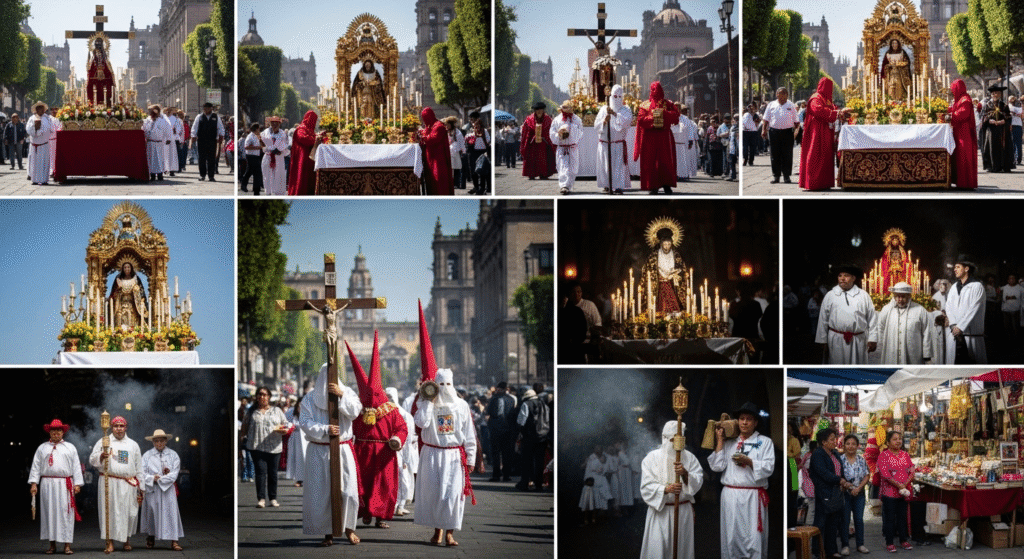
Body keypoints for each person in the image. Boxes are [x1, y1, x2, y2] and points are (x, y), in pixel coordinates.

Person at [347, 335, 408, 529]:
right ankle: (365, 512)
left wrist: (397, 439)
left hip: (384, 452)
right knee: (362, 484)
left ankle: (380, 517)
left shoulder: (390, 410)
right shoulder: (356, 410)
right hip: (362, 450)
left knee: (383, 485)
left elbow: (402, 427)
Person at [413, 368, 477, 547]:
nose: (445, 388)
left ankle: (450, 533)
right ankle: (437, 532)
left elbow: (469, 434)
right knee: (434, 495)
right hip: (432, 454)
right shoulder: (425, 403)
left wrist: (471, 458)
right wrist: (427, 402)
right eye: (440, 384)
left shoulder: (461, 405)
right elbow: (421, 423)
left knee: (452, 495)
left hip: (453, 456)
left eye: (448, 384)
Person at [299, 363, 362, 546]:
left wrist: (341, 396)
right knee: (322, 493)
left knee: (349, 491)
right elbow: (304, 422)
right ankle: (328, 533)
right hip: (319, 449)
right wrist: (325, 429)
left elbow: (355, 412)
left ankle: (349, 529)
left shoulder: (348, 392)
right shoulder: (310, 399)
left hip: (342, 448)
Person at [709, 402, 775, 559]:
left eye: (749, 419)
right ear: (737, 421)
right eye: (742, 418)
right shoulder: (730, 442)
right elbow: (717, 467)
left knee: (753, 537)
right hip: (731, 495)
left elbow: (769, 467)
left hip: (752, 496)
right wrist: (720, 441)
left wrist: (750, 462)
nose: (744, 422)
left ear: (755, 422)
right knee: (731, 536)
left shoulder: (765, 442)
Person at [639, 421, 704, 559]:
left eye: (681, 439)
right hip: (660, 512)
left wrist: (685, 474)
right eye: (673, 439)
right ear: (665, 438)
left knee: (681, 550)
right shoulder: (651, 458)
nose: (677, 443)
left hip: (682, 512)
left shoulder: (690, 457)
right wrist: (665, 489)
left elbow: (698, 480)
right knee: (658, 550)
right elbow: (646, 486)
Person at [89, 416, 143, 554]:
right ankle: (110, 542)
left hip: (128, 483)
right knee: (110, 512)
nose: (119, 428)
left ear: (126, 427)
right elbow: (92, 459)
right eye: (116, 426)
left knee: (128, 513)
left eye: (121, 426)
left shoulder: (133, 444)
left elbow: (139, 467)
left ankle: (126, 540)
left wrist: (141, 488)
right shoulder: (104, 441)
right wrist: (101, 456)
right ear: (112, 427)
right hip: (109, 481)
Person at [29, 419, 83, 555]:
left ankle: (67, 545)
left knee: (66, 514)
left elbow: (76, 466)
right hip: (47, 484)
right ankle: (52, 545)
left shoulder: (70, 447)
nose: (56, 433)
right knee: (49, 513)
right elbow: (36, 466)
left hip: (65, 484)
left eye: (59, 430)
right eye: (53, 430)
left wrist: (77, 484)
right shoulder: (42, 448)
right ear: (50, 432)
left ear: (63, 432)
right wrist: (34, 483)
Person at [816, 266, 878, 364]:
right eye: (840, 276)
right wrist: (822, 340)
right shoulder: (830, 295)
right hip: (837, 340)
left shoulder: (863, 295)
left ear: (853, 278)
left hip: (858, 340)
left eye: (846, 275)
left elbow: (872, 318)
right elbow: (823, 319)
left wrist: (873, 338)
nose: (842, 278)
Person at [241, 386, 290, 508]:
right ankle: (261, 499)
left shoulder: (276, 411)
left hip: (274, 446)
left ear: (269, 397)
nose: (262, 397)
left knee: (273, 473)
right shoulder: (251, 412)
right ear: (257, 397)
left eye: (264, 394)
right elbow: (244, 428)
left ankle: (273, 498)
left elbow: (285, 424)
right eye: (260, 394)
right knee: (260, 472)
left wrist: (283, 430)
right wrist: (242, 440)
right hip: (257, 446)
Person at [800, 78, 849, 190]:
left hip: (826, 130)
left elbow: (833, 109)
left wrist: (841, 112)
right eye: (829, 87)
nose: (830, 90)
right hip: (816, 131)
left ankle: (824, 182)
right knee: (815, 154)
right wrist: (837, 113)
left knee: (825, 155)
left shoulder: (826, 99)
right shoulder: (816, 98)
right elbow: (818, 110)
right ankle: (813, 182)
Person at [140, 429, 184, 551]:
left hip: (167, 489)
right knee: (151, 513)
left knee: (171, 513)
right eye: (156, 441)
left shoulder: (173, 455)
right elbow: (141, 473)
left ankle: (174, 540)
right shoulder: (147, 455)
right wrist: (151, 478)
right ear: (153, 442)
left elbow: (175, 473)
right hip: (152, 489)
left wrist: (161, 480)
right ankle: (151, 536)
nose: (159, 443)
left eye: (161, 440)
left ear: (166, 441)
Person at [810, 428, 850, 559]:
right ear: (823, 442)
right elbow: (823, 473)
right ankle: (818, 550)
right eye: (832, 439)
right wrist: (840, 480)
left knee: (834, 522)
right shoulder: (818, 454)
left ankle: (831, 550)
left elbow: (840, 470)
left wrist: (843, 481)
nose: (835, 441)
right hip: (824, 492)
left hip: (836, 492)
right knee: (821, 522)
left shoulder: (835, 454)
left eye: (835, 438)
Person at [635, 82, 680, 194]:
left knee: (665, 161)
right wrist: (653, 119)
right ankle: (652, 185)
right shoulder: (644, 105)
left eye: (658, 89)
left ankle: (666, 184)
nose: (656, 91)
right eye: (653, 89)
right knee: (650, 161)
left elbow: (676, 117)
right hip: (649, 138)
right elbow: (640, 120)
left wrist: (664, 113)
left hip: (664, 137)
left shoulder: (668, 104)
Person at [943, 256, 987, 364]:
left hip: (971, 334)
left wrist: (961, 327)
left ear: (966, 269)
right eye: (955, 267)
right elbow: (948, 306)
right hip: (954, 333)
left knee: (973, 366)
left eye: (958, 267)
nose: (954, 269)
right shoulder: (954, 287)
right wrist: (953, 324)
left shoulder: (977, 286)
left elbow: (974, 308)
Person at [877, 282, 934, 364]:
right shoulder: (886, 310)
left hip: (913, 353)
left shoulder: (920, 310)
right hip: (891, 352)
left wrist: (927, 355)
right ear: (894, 297)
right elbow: (880, 327)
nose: (900, 300)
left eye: (903, 297)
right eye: (897, 296)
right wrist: (884, 346)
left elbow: (927, 332)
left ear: (909, 296)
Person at [877, 431, 914, 552]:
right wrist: (899, 485)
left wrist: (905, 483)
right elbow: (885, 474)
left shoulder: (905, 455)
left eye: (899, 439)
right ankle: (890, 542)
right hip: (889, 493)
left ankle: (903, 540)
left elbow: (912, 470)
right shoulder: (883, 456)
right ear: (888, 442)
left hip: (903, 492)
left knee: (902, 517)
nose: (898, 441)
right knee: (890, 518)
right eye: (894, 439)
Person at [385, 387, 417, 516]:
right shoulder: (381, 413)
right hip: (386, 451)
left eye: (391, 397)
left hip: (401, 451)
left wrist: (406, 458)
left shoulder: (404, 415)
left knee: (403, 479)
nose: (389, 400)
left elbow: (408, 439)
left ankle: (400, 505)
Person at [595, 85, 632, 194]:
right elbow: (596, 125)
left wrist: (614, 114)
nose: (617, 99)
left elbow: (627, 123)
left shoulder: (626, 110)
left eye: (619, 96)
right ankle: (607, 184)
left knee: (618, 166)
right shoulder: (603, 109)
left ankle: (619, 186)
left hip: (618, 143)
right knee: (606, 165)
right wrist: (604, 121)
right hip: (606, 143)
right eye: (614, 96)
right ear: (611, 96)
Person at [644, 226, 688, 313]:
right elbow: (648, 271)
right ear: (661, 244)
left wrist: (676, 274)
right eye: (665, 244)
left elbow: (682, 269)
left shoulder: (676, 256)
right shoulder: (653, 256)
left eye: (668, 244)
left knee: (673, 307)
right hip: (658, 286)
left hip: (672, 285)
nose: (667, 247)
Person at [515, 388, 550, 491]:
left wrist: (520, 433)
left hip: (529, 437)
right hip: (542, 437)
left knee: (526, 461)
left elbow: (521, 421)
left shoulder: (526, 404)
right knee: (539, 463)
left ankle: (524, 483)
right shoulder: (544, 404)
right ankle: (538, 484)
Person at [840, 434, 870, 555]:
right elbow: (837, 477)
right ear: (844, 445)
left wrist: (858, 488)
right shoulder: (840, 459)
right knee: (845, 520)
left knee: (858, 519)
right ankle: (845, 545)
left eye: (853, 444)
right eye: (848, 444)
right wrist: (847, 486)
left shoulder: (861, 460)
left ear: (857, 446)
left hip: (859, 494)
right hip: (844, 494)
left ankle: (860, 544)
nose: (851, 446)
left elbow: (867, 475)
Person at [946, 79, 978, 189]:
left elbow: (963, 114)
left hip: (964, 133)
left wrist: (951, 115)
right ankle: (960, 181)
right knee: (959, 156)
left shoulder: (965, 99)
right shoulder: (960, 99)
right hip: (958, 131)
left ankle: (966, 183)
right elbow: (955, 109)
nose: (952, 91)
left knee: (963, 156)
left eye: (954, 89)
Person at [762, 87, 798, 183]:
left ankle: (786, 176)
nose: (781, 96)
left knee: (787, 154)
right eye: (779, 94)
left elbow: (796, 121)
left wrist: (796, 132)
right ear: (776, 95)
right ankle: (776, 176)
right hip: (774, 132)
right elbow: (766, 119)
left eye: (783, 94)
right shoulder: (771, 105)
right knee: (775, 154)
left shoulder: (791, 105)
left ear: (787, 95)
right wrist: (763, 130)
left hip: (787, 132)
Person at [417, 107, 454, 195]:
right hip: (430, 159)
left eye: (425, 118)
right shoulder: (430, 126)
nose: (424, 120)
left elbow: (432, 139)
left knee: (439, 182)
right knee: (431, 182)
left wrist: (422, 137)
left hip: (438, 160)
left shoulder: (439, 126)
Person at [550, 101, 584, 195]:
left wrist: (571, 131)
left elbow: (581, 132)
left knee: (573, 168)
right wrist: (559, 135)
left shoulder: (576, 119)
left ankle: (569, 185)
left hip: (572, 147)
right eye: (564, 107)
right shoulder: (557, 119)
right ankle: (563, 185)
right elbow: (552, 132)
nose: (565, 109)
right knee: (563, 167)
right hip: (562, 148)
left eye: (567, 107)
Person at [980, 85, 1015, 173]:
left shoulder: (1004, 105)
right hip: (991, 130)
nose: (995, 95)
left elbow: (1008, 116)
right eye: (993, 93)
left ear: (1000, 95)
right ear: (991, 94)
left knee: (1003, 147)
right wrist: (989, 121)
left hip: (1002, 129)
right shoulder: (987, 105)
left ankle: (1003, 165)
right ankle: (992, 166)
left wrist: (1003, 121)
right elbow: (983, 116)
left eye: (997, 93)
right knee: (991, 147)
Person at [486, 381, 516, 481]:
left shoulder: (493, 399)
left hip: (496, 429)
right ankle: (506, 475)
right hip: (507, 430)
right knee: (506, 453)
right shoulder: (511, 399)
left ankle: (496, 475)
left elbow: (488, 411)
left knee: (496, 453)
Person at [108, 262, 149, 330]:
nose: (127, 269)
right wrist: (119, 289)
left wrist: (137, 291)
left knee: (133, 320)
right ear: (122, 269)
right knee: (120, 319)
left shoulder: (136, 279)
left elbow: (142, 293)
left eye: (128, 267)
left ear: (131, 269)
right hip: (121, 305)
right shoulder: (118, 279)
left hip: (133, 305)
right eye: (125, 267)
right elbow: (113, 293)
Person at [287, 110, 319, 195]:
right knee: (302, 178)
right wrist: (316, 139)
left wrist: (319, 137)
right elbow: (304, 139)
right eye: (313, 120)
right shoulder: (301, 129)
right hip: (302, 159)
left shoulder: (311, 130)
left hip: (310, 159)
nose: (314, 123)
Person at [521, 102, 556, 179]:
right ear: (534, 111)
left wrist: (545, 137)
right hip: (532, 145)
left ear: (543, 110)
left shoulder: (548, 119)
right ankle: (531, 174)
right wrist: (532, 137)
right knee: (532, 159)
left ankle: (544, 173)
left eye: (541, 110)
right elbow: (525, 132)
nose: (539, 112)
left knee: (543, 159)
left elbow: (550, 132)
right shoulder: (529, 119)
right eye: (537, 110)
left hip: (544, 144)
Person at [190, 103, 224, 181]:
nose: (206, 110)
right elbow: (194, 127)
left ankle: (211, 176)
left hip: (212, 140)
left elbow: (220, 128)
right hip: (201, 140)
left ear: (211, 108)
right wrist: (193, 136)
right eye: (205, 109)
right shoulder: (199, 117)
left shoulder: (216, 117)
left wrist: (221, 136)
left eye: (208, 108)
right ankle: (202, 175)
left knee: (211, 158)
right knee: (202, 158)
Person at [579, 444, 612, 524]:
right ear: (594, 450)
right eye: (597, 449)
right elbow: (587, 469)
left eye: (600, 448)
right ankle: (587, 518)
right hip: (592, 481)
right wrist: (587, 480)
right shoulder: (591, 458)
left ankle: (597, 517)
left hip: (601, 481)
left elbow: (607, 469)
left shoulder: (605, 457)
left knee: (601, 500)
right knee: (590, 500)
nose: (599, 450)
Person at [25, 102, 54, 185]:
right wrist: (35, 128)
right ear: (36, 109)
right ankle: (34, 179)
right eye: (38, 108)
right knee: (34, 163)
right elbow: (28, 129)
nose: (40, 110)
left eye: (42, 108)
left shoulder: (47, 119)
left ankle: (44, 180)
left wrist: (41, 131)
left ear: (44, 110)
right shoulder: (31, 118)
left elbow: (51, 129)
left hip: (44, 144)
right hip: (34, 146)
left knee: (44, 163)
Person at [261, 116, 290, 196]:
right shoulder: (265, 132)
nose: (274, 124)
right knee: (267, 174)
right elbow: (261, 141)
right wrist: (267, 148)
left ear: (279, 124)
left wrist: (279, 150)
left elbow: (285, 144)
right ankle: (268, 192)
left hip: (278, 157)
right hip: (268, 156)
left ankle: (279, 194)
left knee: (279, 175)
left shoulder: (283, 134)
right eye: (272, 123)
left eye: (276, 123)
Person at [141, 105, 171, 182]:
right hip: (150, 143)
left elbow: (168, 129)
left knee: (159, 159)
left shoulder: (162, 120)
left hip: (158, 143)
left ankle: (160, 174)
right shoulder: (148, 120)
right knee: (151, 160)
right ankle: (152, 175)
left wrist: (168, 138)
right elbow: (143, 129)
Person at [284, 397, 307, 486]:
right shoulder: (291, 413)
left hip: (305, 439)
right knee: (297, 459)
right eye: (299, 406)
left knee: (306, 458)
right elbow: (286, 422)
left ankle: (307, 479)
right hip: (295, 440)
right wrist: (290, 426)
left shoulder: (308, 415)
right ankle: (299, 479)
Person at [1000, 274, 1023, 356]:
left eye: (1013, 278)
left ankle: (1016, 344)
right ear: (1008, 280)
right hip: (1006, 310)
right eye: (1010, 278)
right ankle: (1008, 344)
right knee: (1006, 327)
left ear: (1015, 280)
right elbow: (1000, 296)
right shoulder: (1004, 287)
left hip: (1015, 311)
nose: (1011, 280)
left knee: (1015, 327)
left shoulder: (1020, 288)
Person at [675, 104, 700, 180]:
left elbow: (689, 130)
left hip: (683, 143)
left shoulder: (685, 119)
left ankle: (684, 174)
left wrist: (690, 140)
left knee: (684, 159)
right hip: (673, 142)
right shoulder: (670, 117)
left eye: (678, 108)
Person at [467, 119, 491, 195]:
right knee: (473, 171)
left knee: (482, 171)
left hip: (482, 152)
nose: (476, 127)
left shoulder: (485, 131)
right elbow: (467, 139)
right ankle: (476, 187)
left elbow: (488, 140)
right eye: (474, 126)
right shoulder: (471, 132)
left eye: (477, 125)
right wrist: (470, 139)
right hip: (473, 152)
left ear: (481, 125)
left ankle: (482, 188)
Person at [240, 123, 263, 194]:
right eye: (258, 128)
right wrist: (257, 148)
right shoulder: (250, 136)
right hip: (251, 156)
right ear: (256, 129)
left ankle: (246, 186)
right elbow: (246, 146)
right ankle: (256, 189)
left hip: (256, 156)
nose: (259, 130)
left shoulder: (256, 136)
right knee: (257, 173)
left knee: (250, 172)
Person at [445, 117, 466, 190]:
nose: (446, 126)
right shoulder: (447, 132)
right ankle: (451, 183)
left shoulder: (457, 132)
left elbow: (461, 142)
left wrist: (463, 151)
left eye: (447, 125)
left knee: (457, 168)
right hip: (449, 152)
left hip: (456, 152)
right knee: (451, 168)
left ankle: (456, 183)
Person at [162, 108, 180, 177]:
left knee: (171, 155)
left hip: (171, 138)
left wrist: (175, 131)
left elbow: (178, 128)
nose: (167, 112)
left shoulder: (174, 118)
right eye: (166, 111)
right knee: (164, 154)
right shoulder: (162, 118)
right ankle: (164, 169)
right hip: (163, 138)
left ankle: (172, 170)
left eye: (169, 111)